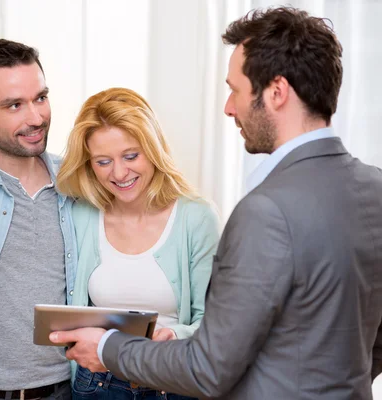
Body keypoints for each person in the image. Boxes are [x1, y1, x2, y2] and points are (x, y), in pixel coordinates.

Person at [50, 6, 382, 399]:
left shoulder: (264, 211)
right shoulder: (374, 189)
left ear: (276, 93)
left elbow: (208, 367)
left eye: (235, 89)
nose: (228, 107)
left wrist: (107, 348)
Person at [55, 87, 219, 400]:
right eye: (103, 162)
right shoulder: (82, 215)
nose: (119, 173)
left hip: (169, 382)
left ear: (153, 149)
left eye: (131, 156)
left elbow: (214, 325)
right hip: (96, 384)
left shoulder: (196, 218)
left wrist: (173, 334)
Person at [0, 39, 76, 400]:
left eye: (40, 98)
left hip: (63, 391)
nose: (35, 118)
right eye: (14, 105)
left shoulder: (77, 182)